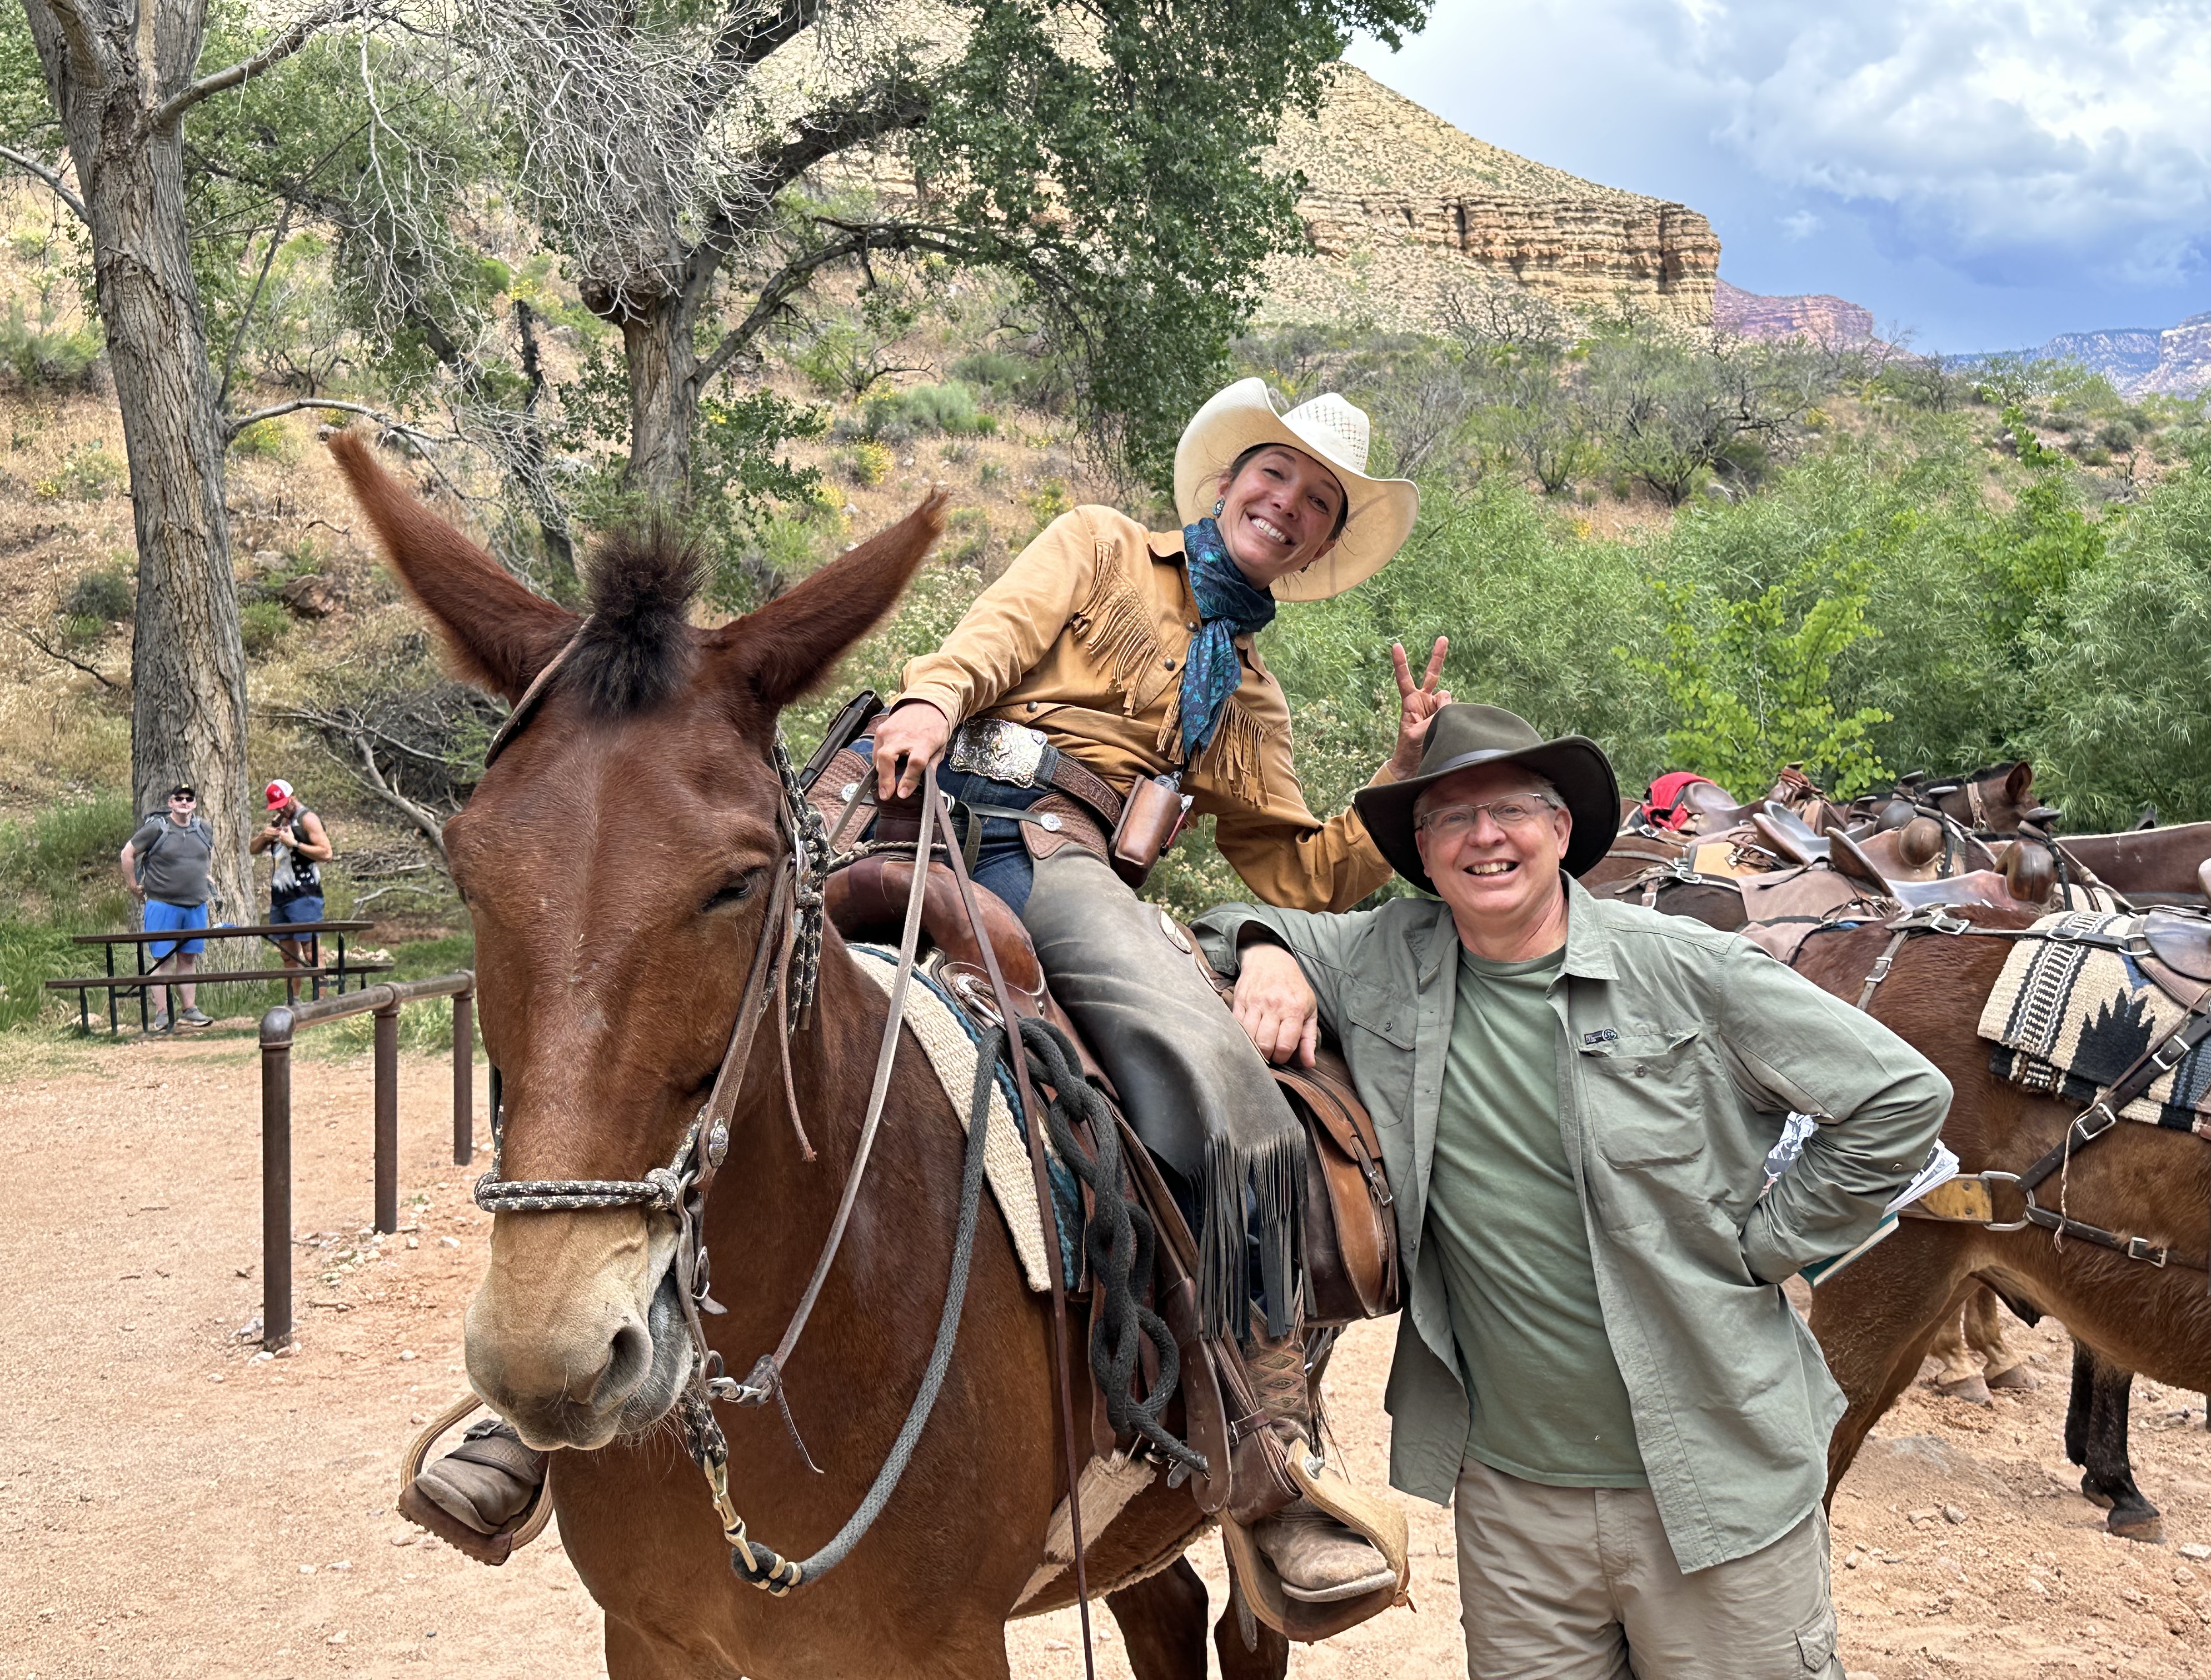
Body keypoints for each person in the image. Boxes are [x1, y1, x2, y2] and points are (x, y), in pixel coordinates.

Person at [412, 378, 1446, 1596]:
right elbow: (996, 634)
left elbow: (1294, 868)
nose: (1291, 502)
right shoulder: (1105, 546)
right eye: (1277, 477)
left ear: (1322, 542)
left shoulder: (1249, 700)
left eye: (1319, 502)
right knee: (662, 990)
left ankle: (1263, 1439)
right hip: (926, 799)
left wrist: (1399, 783)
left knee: (1220, 1078)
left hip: (1069, 867)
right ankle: (533, 1402)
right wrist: (932, 699)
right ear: (1229, 484)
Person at [1195, 705, 1953, 1679]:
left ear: (1560, 828)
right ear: (1421, 853)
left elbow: (1900, 1095)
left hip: (1716, 1484)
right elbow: (1221, 922)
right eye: (1450, 818)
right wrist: (1268, 953)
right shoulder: (1383, 958)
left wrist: (1768, 1241)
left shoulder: (1683, 967)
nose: (1484, 835)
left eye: (1510, 807)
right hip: (1516, 1508)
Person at [119, 784, 216, 1032]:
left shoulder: (204, 829)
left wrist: (208, 876)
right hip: (163, 905)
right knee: (162, 960)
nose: (185, 802)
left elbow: (207, 856)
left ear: (194, 804)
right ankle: (162, 1013)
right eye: (179, 798)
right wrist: (133, 886)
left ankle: (190, 1010)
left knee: (189, 958)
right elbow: (127, 853)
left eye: (189, 799)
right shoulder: (157, 828)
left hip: (195, 905)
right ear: (171, 803)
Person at [251, 779, 332, 997]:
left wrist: (294, 844)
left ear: (293, 797)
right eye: (277, 806)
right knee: (288, 955)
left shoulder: (308, 819)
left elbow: (326, 853)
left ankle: (321, 1002)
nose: (281, 809)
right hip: (280, 898)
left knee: (310, 952)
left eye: (284, 804)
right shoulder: (278, 821)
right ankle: (292, 1001)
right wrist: (264, 836)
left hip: (305, 895)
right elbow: (253, 849)